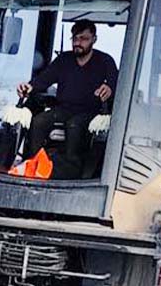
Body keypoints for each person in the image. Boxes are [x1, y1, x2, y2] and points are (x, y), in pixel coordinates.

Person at [16, 19, 118, 178]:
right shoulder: (64, 60)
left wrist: (109, 89)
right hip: (64, 108)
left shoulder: (105, 61)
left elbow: (116, 84)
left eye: (83, 39)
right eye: (75, 39)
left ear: (94, 40)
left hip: (91, 111)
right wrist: (30, 87)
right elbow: (44, 80)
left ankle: (72, 171)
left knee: (74, 125)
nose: (78, 43)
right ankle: (34, 163)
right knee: (39, 121)